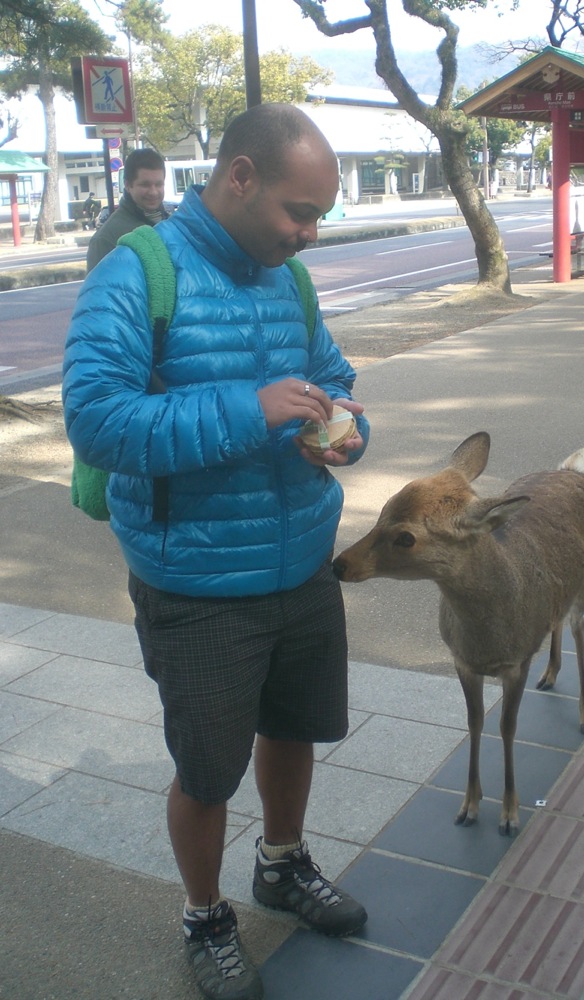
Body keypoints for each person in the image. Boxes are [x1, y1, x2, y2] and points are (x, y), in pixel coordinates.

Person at [63, 104, 370, 1000]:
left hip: (301, 560)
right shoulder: (138, 272)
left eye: (319, 218)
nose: (309, 236)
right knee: (207, 768)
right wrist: (252, 409)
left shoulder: (289, 281)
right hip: (196, 582)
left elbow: (332, 377)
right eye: (298, 213)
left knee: (295, 727)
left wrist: (347, 429)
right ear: (239, 178)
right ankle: (204, 916)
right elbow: (97, 420)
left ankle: (282, 864)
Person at [86, 147, 171, 271]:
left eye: (158, 184)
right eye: (145, 185)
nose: (153, 192)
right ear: (127, 185)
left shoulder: (172, 226)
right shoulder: (105, 239)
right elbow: (98, 289)